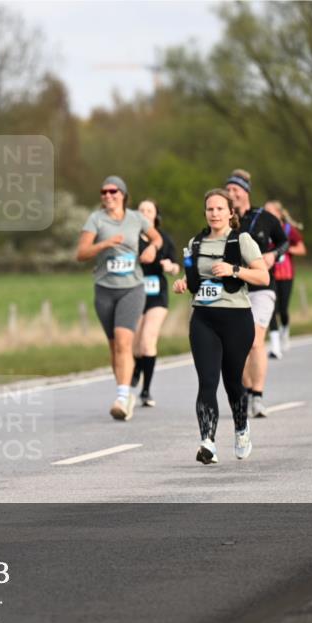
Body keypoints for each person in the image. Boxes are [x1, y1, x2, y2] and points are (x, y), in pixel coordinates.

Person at [173, 189, 270, 464]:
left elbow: (263, 276)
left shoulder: (242, 240)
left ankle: (241, 429)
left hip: (237, 319)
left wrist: (234, 271)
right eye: (209, 209)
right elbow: (192, 279)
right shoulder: (195, 243)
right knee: (207, 382)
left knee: (232, 383)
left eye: (219, 209)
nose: (214, 213)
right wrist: (182, 284)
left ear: (230, 213)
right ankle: (208, 442)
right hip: (203, 319)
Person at [76, 176, 163, 420]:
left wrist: (151, 248)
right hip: (104, 289)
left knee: (125, 342)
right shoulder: (95, 219)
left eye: (113, 191)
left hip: (132, 288)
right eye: (104, 192)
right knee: (115, 346)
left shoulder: (136, 218)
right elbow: (81, 253)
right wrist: (104, 244)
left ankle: (122, 398)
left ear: (123, 194)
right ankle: (124, 393)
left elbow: (157, 237)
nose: (108, 195)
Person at [223, 170, 288, 418]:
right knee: (237, 346)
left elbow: (284, 241)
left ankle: (257, 396)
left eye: (234, 189)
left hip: (261, 288)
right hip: (234, 289)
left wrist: (274, 255)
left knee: (254, 340)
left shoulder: (265, 217)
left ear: (245, 191)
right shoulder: (223, 219)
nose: (230, 194)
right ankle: (248, 391)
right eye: (227, 190)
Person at [130, 199, 179, 407]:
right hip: (133, 295)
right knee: (134, 344)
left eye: (149, 210)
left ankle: (146, 391)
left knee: (148, 339)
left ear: (155, 215)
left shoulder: (164, 239)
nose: (144, 213)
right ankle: (137, 367)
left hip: (157, 296)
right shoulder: (129, 238)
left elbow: (177, 267)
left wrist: (170, 267)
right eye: (141, 210)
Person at [263, 201, 306, 359]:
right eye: (265, 211)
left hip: (286, 273)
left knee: (283, 309)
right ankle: (275, 345)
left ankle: (285, 330)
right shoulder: (262, 228)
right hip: (268, 273)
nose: (267, 213)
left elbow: (302, 249)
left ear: (279, 214)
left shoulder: (288, 229)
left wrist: (285, 249)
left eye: (271, 211)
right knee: (272, 309)